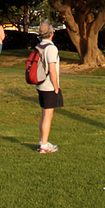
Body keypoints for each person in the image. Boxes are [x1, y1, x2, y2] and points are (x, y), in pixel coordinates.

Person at [35, 20, 62, 154]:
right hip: (48, 86)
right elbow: (52, 70)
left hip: (40, 85)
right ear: (51, 33)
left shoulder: (40, 45)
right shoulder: (51, 48)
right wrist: (56, 87)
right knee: (48, 115)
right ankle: (44, 145)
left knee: (44, 114)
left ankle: (42, 141)